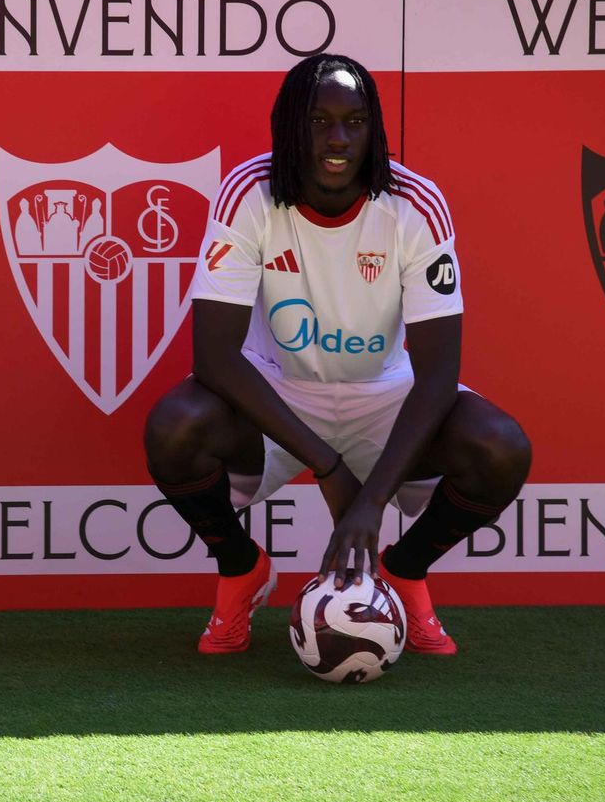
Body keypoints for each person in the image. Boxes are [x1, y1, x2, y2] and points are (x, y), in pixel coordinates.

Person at [143, 53, 530, 656]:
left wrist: (369, 504)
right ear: (289, 126)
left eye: (354, 121)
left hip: (386, 397)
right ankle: (240, 569)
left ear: (374, 128)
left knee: (501, 447)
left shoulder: (414, 204)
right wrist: (329, 468)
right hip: (279, 392)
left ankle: (404, 573)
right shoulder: (248, 194)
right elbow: (214, 357)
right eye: (319, 121)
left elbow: (439, 375)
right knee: (174, 427)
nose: (338, 139)